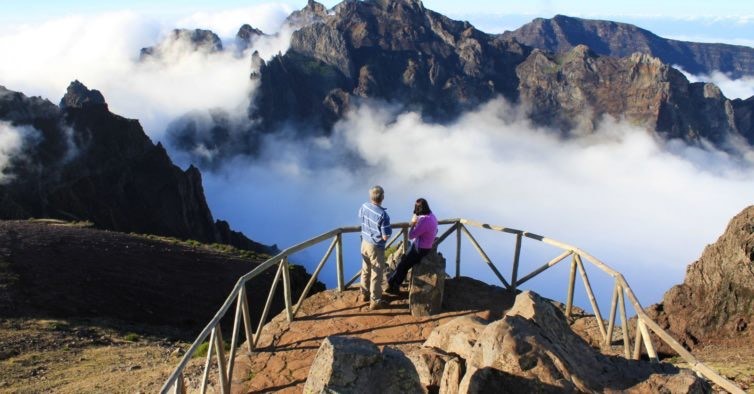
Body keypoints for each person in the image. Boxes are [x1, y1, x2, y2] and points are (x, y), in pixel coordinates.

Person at [386, 198, 438, 294]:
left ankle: (393, 285)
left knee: (403, 265)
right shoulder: (432, 215)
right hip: (425, 246)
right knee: (403, 261)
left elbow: (410, 236)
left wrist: (413, 224)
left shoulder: (424, 221)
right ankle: (393, 283)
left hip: (420, 249)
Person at [358, 185, 392, 310]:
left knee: (365, 269)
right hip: (375, 247)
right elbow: (385, 236)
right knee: (376, 274)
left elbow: (360, 217)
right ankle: (375, 301)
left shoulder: (364, 206)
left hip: (364, 243)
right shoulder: (383, 215)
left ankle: (364, 294)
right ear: (382, 197)